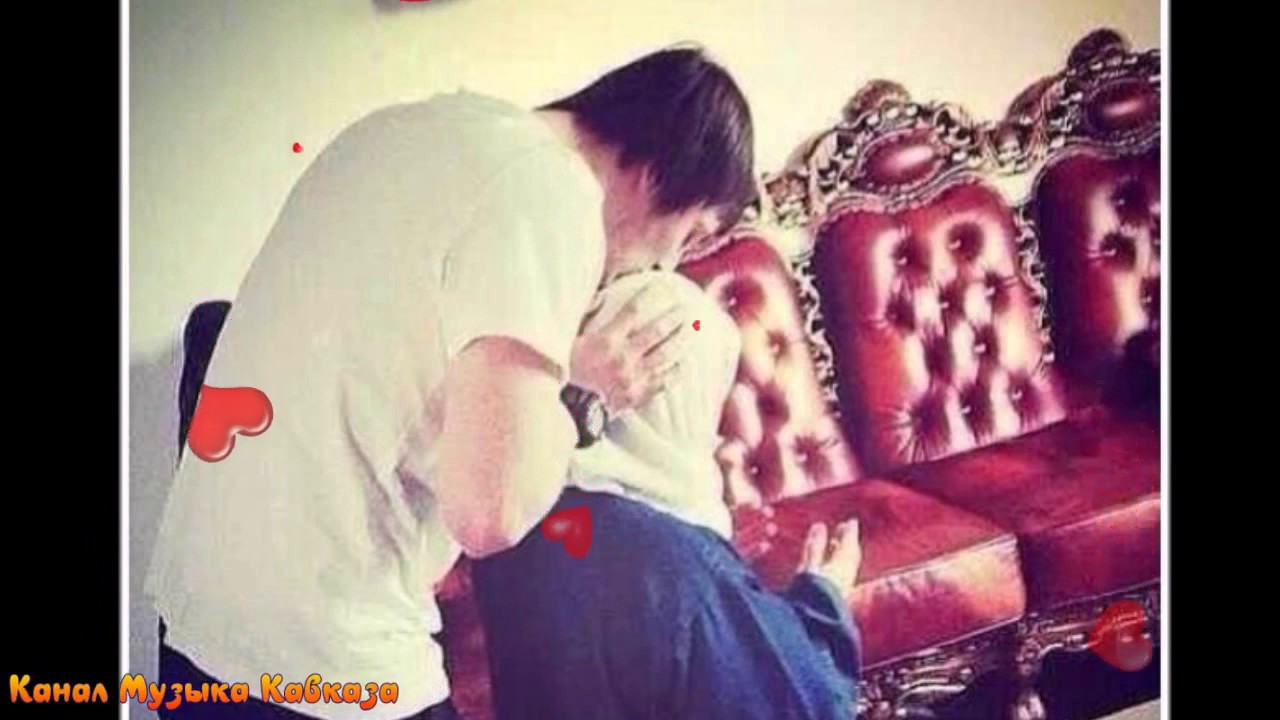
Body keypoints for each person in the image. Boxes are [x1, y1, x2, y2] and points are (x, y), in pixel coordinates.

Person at [144, 46, 755, 720]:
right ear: (660, 172)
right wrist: (590, 399)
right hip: (321, 654)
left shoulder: (401, 129)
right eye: (688, 236)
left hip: (197, 613)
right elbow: (491, 513)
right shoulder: (552, 193)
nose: (665, 267)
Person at [472, 269, 864, 720]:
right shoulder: (673, 564)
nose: (717, 441)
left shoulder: (516, 520)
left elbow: (698, 325)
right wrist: (825, 598)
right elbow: (803, 705)